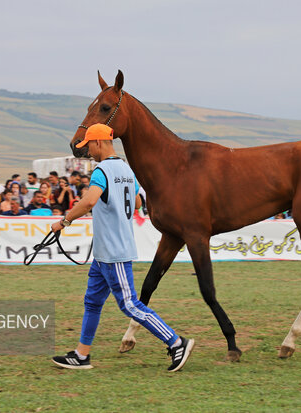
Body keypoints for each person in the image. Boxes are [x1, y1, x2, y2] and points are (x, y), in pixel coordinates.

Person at [50, 123, 194, 372]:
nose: (89, 154)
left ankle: (176, 342)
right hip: (107, 251)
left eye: (89, 147)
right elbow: (138, 202)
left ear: (98, 143)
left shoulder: (101, 170)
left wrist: (64, 220)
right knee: (93, 301)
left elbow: (91, 200)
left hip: (113, 251)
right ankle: (82, 354)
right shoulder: (127, 170)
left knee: (129, 304)